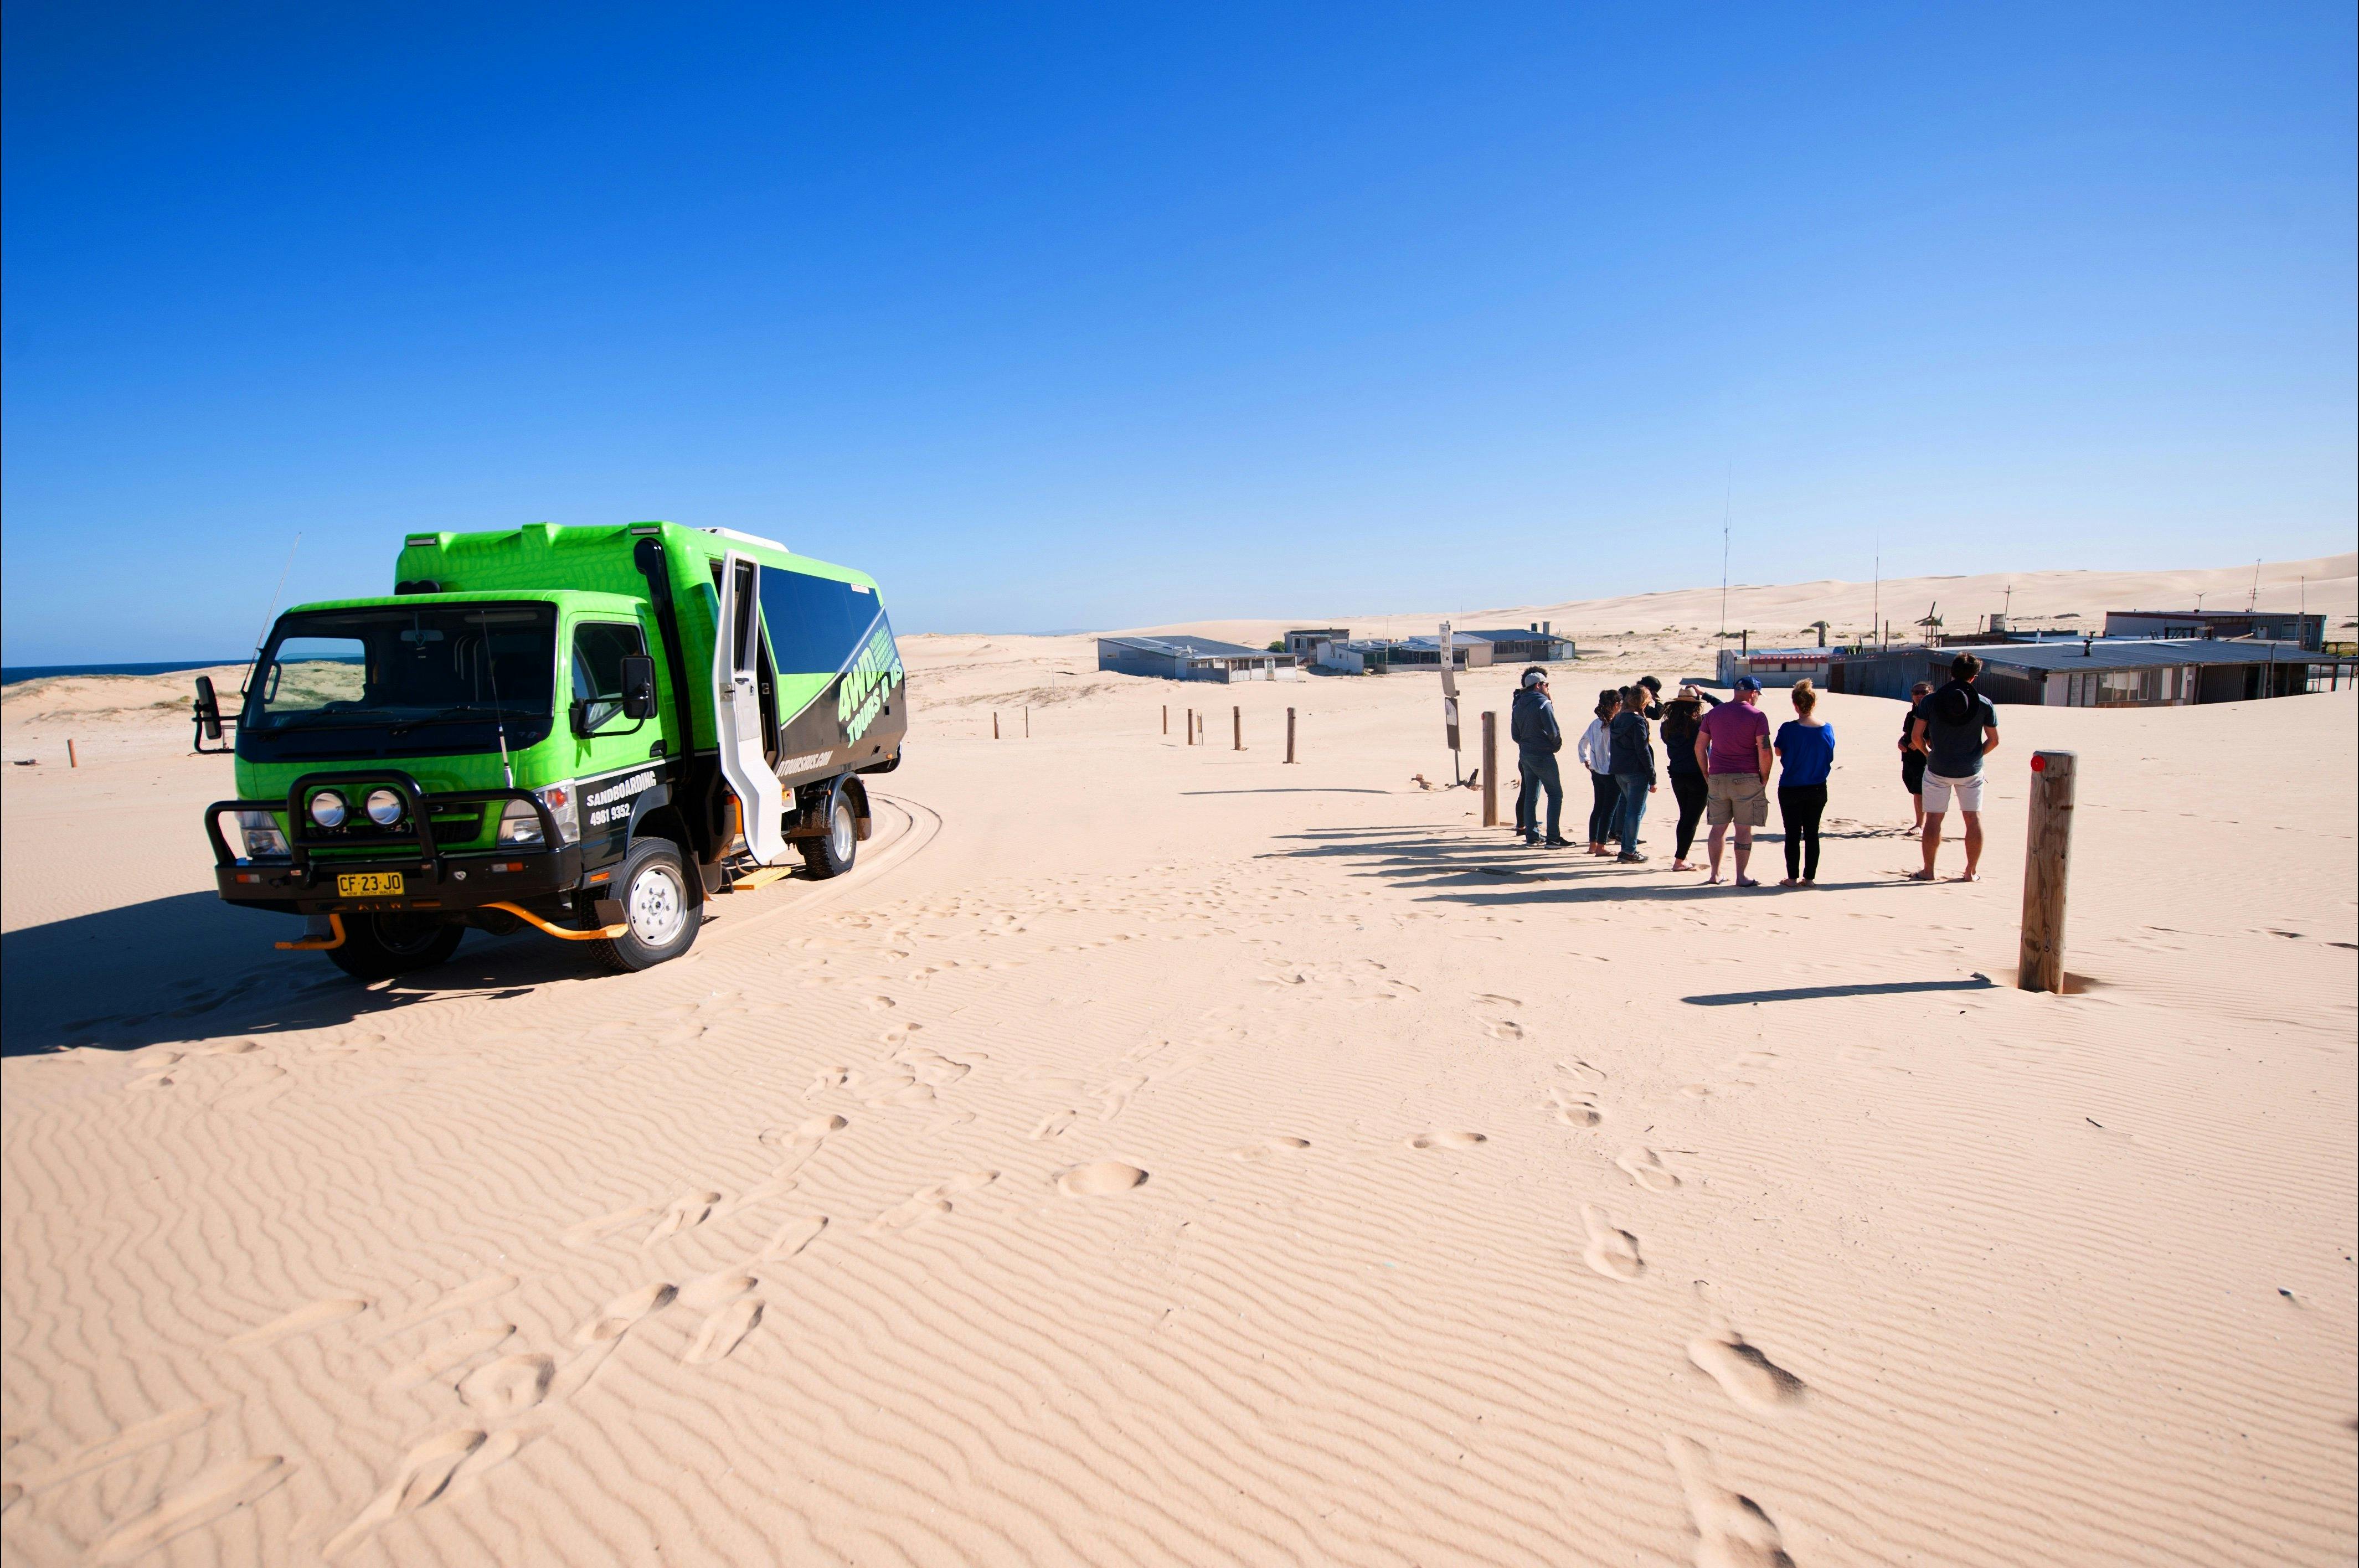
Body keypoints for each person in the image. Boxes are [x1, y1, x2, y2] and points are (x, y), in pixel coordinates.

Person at [1910, 653, 2001, 881]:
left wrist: (1927, 754)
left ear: (1952, 672)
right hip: (1970, 770)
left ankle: (1929, 871)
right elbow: (1994, 740)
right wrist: (1976, 755)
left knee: (1933, 819)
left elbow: (1916, 736)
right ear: (1974, 677)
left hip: (1938, 767)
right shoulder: (1984, 704)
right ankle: (1970, 872)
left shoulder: (1931, 701)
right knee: (1973, 819)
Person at [1694, 675, 1773, 886]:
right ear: (1753, 693)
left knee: (1718, 828)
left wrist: (1706, 772)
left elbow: (1699, 747)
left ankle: (1715, 874)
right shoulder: (1757, 716)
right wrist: (1764, 777)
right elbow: (1765, 750)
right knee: (1743, 829)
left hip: (1718, 777)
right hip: (1747, 777)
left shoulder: (1714, 714)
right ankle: (1741, 876)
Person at [1773, 679, 1835, 886]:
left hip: (1791, 786)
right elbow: (1830, 755)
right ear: (1814, 703)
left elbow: (1779, 751)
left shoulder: (1789, 729)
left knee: (1792, 834)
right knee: (1812, 833)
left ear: (1796, 705)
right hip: (1817, 787)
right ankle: (1809, 878)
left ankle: (1792, 878)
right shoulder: (1828, 729)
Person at [1658, 684, 1722, 870]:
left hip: (1677, 775)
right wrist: (1706, 694)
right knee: (1690, 819)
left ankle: (1681, 857)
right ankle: (1680, 860)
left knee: (1685, 816)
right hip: (1698, 775)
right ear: (1696, 705)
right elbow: (1724, 709)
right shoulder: (1701, 723)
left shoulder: (1666, 726)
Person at [1509, 667, 1569, 848]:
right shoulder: (1543, 703)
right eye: (1546, 685)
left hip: (1526, 753)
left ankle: (1532, 836)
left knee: (1531, 796)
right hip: (1542, 754)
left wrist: (1526, 744)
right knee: (1555, 794)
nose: (1548, 688)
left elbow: (1515, 734)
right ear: (1538, 685)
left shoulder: (1518, 704)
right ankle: (1553, 838)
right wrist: (1555, 745)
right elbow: (1553, 730)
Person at [1608, 684, 1658, 863]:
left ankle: (1627, 845)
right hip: (1636, 771)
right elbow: (1643, 750)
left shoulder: (1618, 718)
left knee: (1635, 809)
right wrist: (1652, 776)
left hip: (1620, 770)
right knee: (1635, 811)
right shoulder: (1637, 721)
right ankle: (1629, 850)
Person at [1577, 690, 1620, 855]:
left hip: (1597, 771)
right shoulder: (1614, 724)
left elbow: (1583, 743)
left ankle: (1593, 844)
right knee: (1608, 810)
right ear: (1616, 705)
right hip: (1611, 772)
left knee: (1598, 808)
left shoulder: (1596, 723)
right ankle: (1601, 846)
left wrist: (1585, 759)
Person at [1898, 680, 1933, 828]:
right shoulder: (1911, 714)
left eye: (1924, 692)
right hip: (1908, 757)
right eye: (1916, 693)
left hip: (1925, 758)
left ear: (1931, 694)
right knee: (1912, 786)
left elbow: (1937, 738)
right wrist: (1900, 742)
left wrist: (1921, 742)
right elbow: (1907, 734)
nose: (1919, 695)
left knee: (1919, 792)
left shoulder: (1934, 714)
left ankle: (1920, 824)